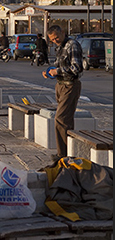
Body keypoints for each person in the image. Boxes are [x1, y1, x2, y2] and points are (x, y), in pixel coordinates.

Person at [42, 25, 83, 162]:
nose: (55, 41)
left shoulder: (72, 45)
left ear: (63, 32)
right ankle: (67, 152)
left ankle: (62, 155)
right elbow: (58, 66)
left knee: (61, 119)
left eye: (56, 37)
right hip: (60, 85)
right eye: (52, 40)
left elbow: (76, 68)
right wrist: (50, 73)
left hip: (70, 86)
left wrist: (57, 72)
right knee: (65, 121)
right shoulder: (60, 47)